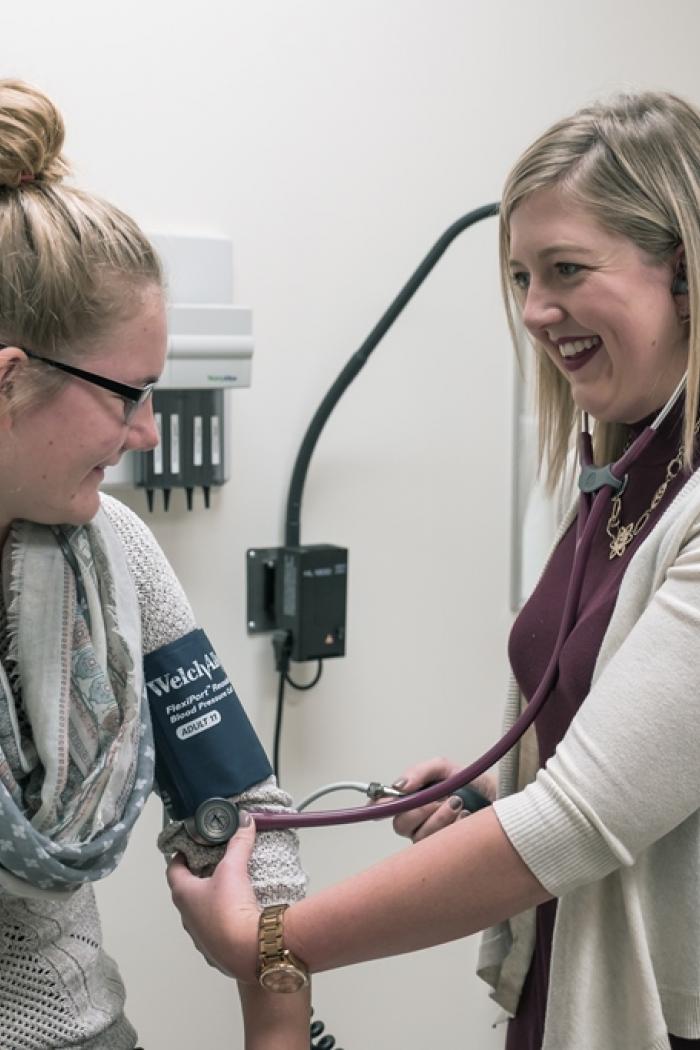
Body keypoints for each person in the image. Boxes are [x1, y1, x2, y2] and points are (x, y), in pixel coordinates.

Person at [167, 89, 700, 1050]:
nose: (537, 312)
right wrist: (503, 797)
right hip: (561, 995)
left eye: (569, 270)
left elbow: (581, 823)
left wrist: (269, 946)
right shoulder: (621, 471)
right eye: (520, 277)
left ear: (686, 275)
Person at [0, 79, 311, 1050]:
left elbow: (251, 826)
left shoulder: (116, 551)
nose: (146, 433)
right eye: (129, 394)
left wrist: (279, 1037)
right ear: (12, 379)